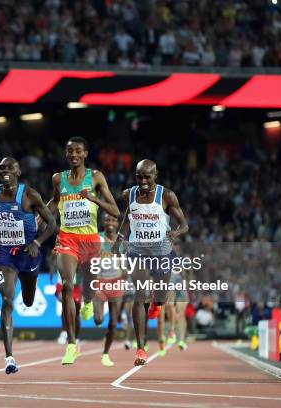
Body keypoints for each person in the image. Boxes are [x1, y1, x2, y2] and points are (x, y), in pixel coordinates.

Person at [0, 157, 56, 374]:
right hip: (4, 256)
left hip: (27, 254)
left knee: (28, 301)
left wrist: (37, 242)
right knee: (7, 299)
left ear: (19, 171)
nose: (5, 171)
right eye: (2, 168)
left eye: (10, 168)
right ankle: (9, 358)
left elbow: (52, 223)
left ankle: (31, 284)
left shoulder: (29, 195)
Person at [48, 136, 119, 365]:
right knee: (68, 286)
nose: (74, 155)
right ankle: (71, 344)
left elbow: (116, 212)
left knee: (87, 291)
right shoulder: (58, 178)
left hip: (90, 240)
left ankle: (88, 300)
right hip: (67, 238)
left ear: (85, 154)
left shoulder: (96, 177)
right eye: (70, 151)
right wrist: (38, 218)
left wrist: (94, 199)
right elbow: (54, 201)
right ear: (66, 154)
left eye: (78, 151)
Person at [112, 159, 188, 366]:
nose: (143, 181)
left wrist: (176, 232)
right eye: (139, 176)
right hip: (137, 251)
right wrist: (119, 238)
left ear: (156, 175)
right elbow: (128, 217)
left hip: (162, 252)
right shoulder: (129, 194)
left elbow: (184, 224)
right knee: (138, 296)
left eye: (147, 176)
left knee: (161, 300)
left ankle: (157, 302)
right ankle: (140, 349)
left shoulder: (167, 195)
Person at [93, 213, 124, 366]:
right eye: (107, 219)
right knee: (98, 320)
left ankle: (105, 354)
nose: (110, 222)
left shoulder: (122, 241)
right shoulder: (97, 238)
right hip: (99, 282)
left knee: (112, 323)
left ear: (118, 224)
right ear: (103, 222)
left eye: (113, 220)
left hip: (116, 283)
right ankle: (90, 305)